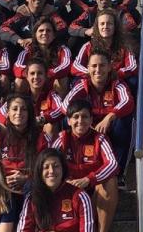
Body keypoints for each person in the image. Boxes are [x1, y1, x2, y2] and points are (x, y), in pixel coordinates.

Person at [63, 50, 134, 183]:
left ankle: (119, 173)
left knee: (124, 120)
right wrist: (86, 123)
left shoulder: (117, 84)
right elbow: (65, 105)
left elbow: (128, 101)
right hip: (89, 123)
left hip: (110, 124)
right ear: (88, 68)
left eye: (102, 65)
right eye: (94, 66)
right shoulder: (82, 85)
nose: (98, 69)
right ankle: (70, 169)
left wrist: (110, 117)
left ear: (109, 67)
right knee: (67, 119)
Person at [50, 99, 119, 232]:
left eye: (85, 116)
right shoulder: (62, 138)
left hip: (93, 190)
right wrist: (64, 182)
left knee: (111, 181)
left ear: (91, 119)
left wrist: (89, 180)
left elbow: (113, 164)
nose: (80, 121)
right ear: (68, 121)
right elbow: (47, 163)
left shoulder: (100, 138)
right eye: (76, 117)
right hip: (69, 191)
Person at [18, 149, 95, 232]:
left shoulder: (80, 197)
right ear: (40, 171)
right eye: (46, 167)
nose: (51, 171)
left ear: (63, 169)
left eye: (56, 166)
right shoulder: (32, 198)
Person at [0, 0, 69, 62]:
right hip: (25, 55)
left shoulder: (51, 13)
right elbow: (3, 28)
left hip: (48, 54)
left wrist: (36, 39)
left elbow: (62, 27)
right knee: (5, 43)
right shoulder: (22, 14)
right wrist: (19, 40)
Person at [0, 94, 48, 195]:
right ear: (8, 113)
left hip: (30, 187)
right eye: (14, 109)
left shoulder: (40, 138)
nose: (18, 113)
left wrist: (26, 178)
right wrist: (3, 180)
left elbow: (45, 168)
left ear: (29, 114)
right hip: (4, 187)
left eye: (23, 109)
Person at [71, 8, 138, 86]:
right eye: (102, 24)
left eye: (109, 23)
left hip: (116, 79)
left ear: (115, 27)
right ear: (97, 27)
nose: (105, 26)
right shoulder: (88, 46)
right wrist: (92, 73)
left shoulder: (124, 46)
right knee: (77, 81)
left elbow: (132, 67)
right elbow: (75, 66)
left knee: (134, 81)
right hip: (94, 81)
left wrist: (113, 74)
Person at [69, 0, 139, 48]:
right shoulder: (90, 12)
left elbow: (131, 25)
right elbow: (72, 26)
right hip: (95, 49)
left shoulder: (120, 11)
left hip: (117, 46)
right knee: (74, 39)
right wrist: (86, 31)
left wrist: (109, 31)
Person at [13, 17, 71, 96]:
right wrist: (33, 74)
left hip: (51, 82)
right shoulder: (28, 50)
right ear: (35, 35)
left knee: (63, 79)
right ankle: (21, 104)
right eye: (41, 30)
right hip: (34, 82)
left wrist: (46, 74)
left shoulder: (63, 49)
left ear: (54, 35)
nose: (44, 33)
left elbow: (66, 66)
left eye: (48, 30)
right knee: (19, 81)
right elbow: (17, 67)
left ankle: (61, 107)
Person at [21, 58, 66, 139]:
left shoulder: (51, 94)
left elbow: (60, 109)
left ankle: (50, 151)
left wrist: (42, 118)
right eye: (32, 73)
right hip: (25, 130)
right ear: (27, 76)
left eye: (40, 73)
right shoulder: (22, 96)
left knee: (50, 125)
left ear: (45, 76)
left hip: (44, 133)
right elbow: (1, 113)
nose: (36, 77)